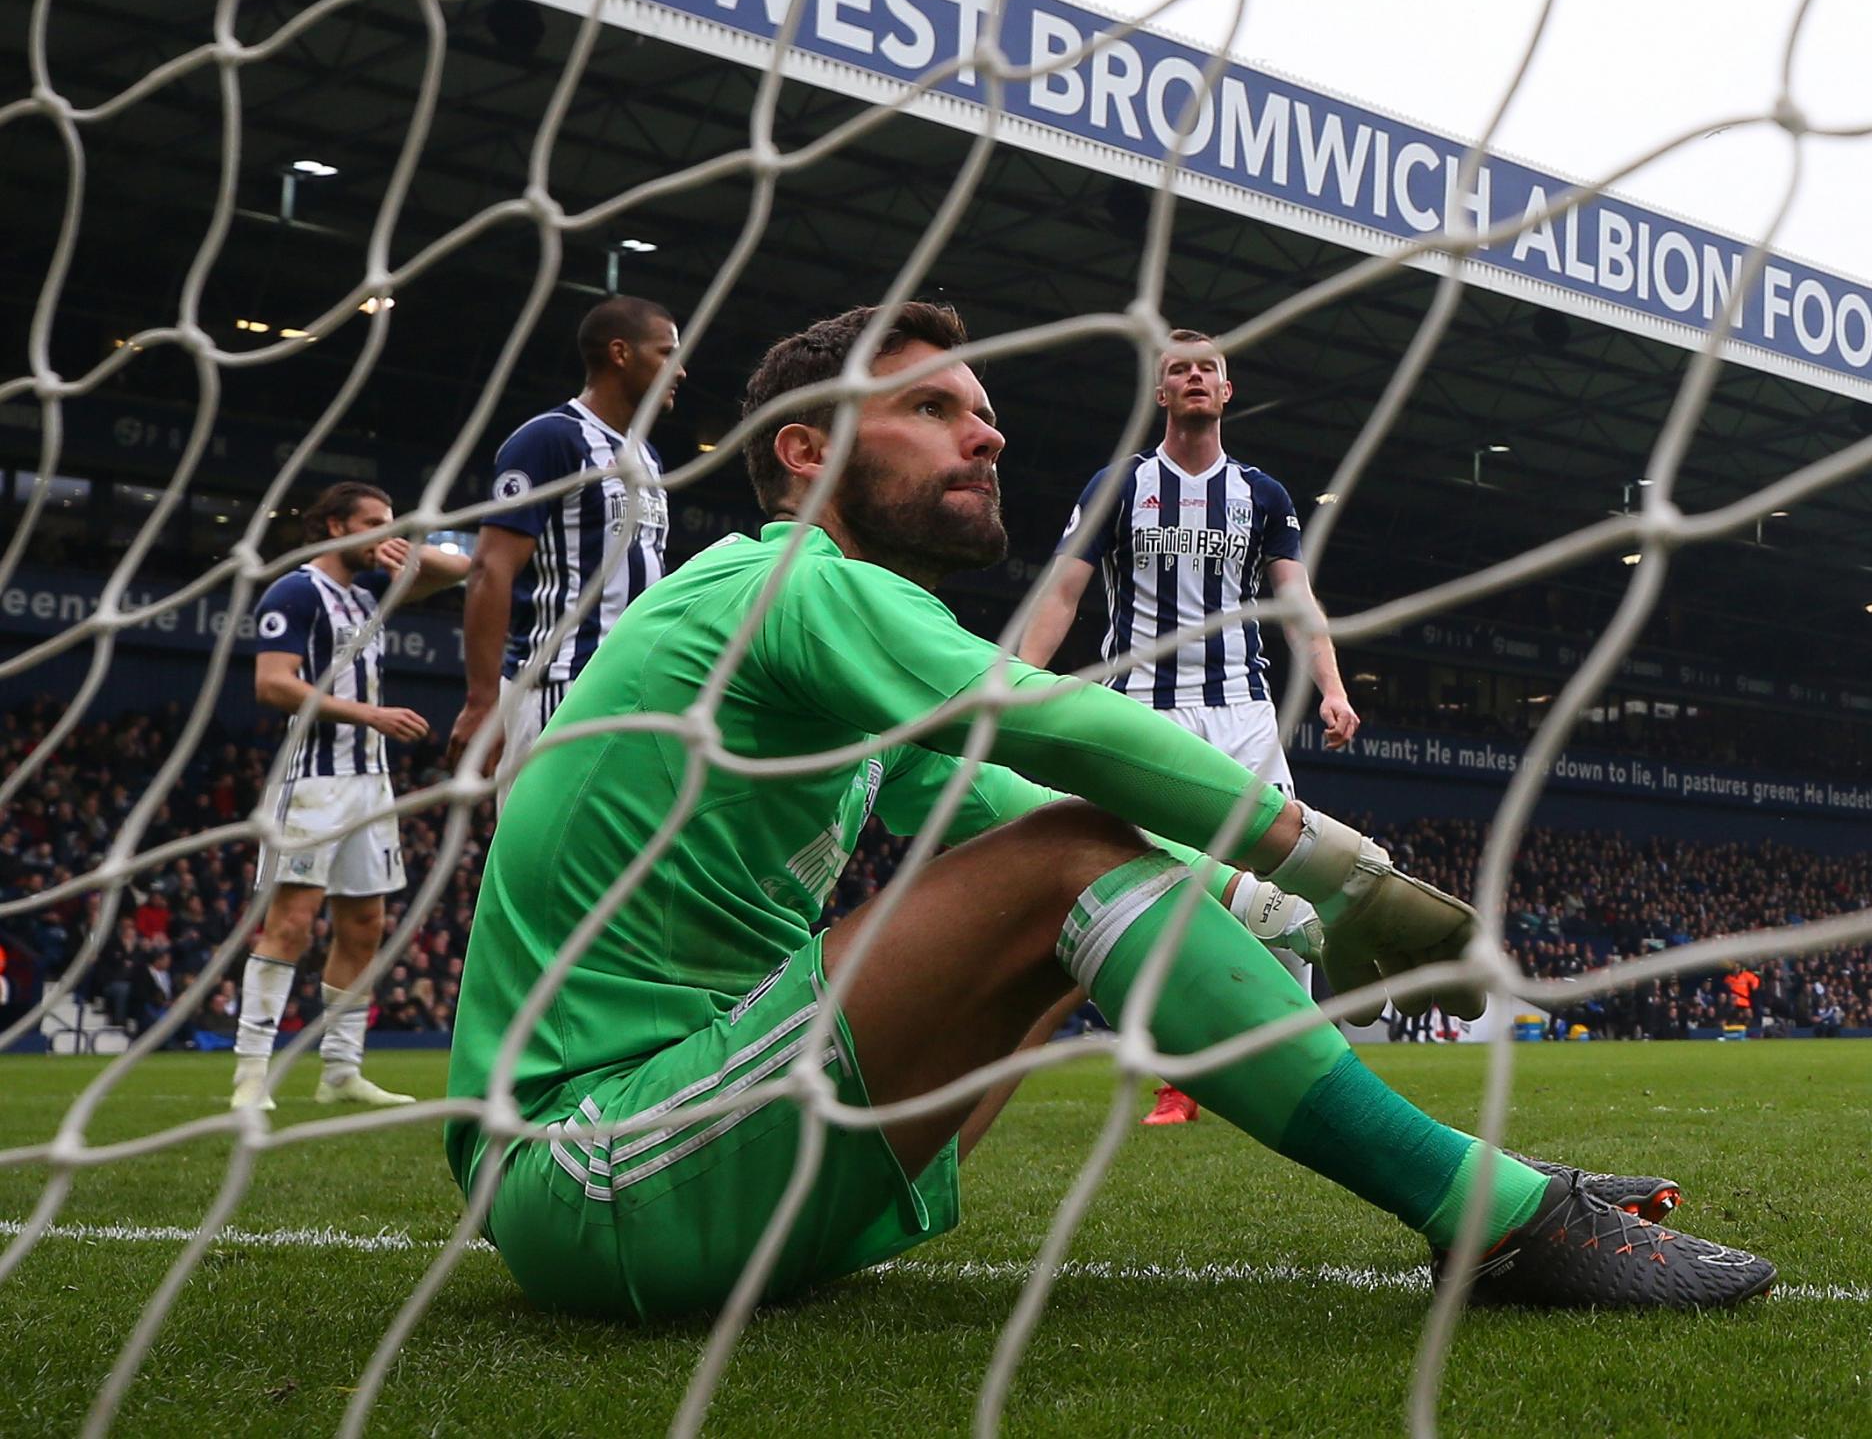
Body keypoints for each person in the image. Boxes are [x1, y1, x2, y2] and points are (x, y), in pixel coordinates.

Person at [445, 302, 1759, 1320]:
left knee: (1061, 863)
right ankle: (1496, 1216)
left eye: (986, 411)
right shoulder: (783, 582)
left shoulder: (813, 642)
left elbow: (987, 794)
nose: (988, 433)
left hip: (740, 1164)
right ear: (808, 450)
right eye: (932, 407)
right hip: (589, 1165)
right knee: (1071, 854)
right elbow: (1056, 727)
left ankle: (1490, 1202)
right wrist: (1343, 879)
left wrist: (1267, 903)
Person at [1016, 329, 1359, 1128]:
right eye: (1179, 370)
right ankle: (1182, 1076)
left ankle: (1304, 1064)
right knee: (1155, 893)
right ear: (1160, 392)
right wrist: (1022, 682)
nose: (1195, 377)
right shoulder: (1119, 485)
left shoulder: (1263, 494)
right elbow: (1063, 591)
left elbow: (1297, 604)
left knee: (1282, 885)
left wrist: (1333, 687)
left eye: (1208, 368)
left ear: (1227, 392)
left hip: (1243, 712)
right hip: (1140, 710)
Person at [234, 481, 471, 1111]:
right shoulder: (294, 590)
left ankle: (340, 1070)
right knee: (291, 923)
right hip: (313, 782)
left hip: (372, 786)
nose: (385, 533)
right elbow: (272, 684)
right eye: (372, 522)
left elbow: (463, 569)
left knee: (365, 925)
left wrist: (402, 545)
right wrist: (369, 715)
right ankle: (251, 1075)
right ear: (336, 527)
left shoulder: (366, 592)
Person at [448, 296, 684, 800]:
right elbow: (491, 569)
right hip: (561, 684)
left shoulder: (647, 456)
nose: (680, 371)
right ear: (621, 353)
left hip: (634, 690)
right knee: (544, 866)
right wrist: (481, 701)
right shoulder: (550, 440)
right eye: (667, 353)